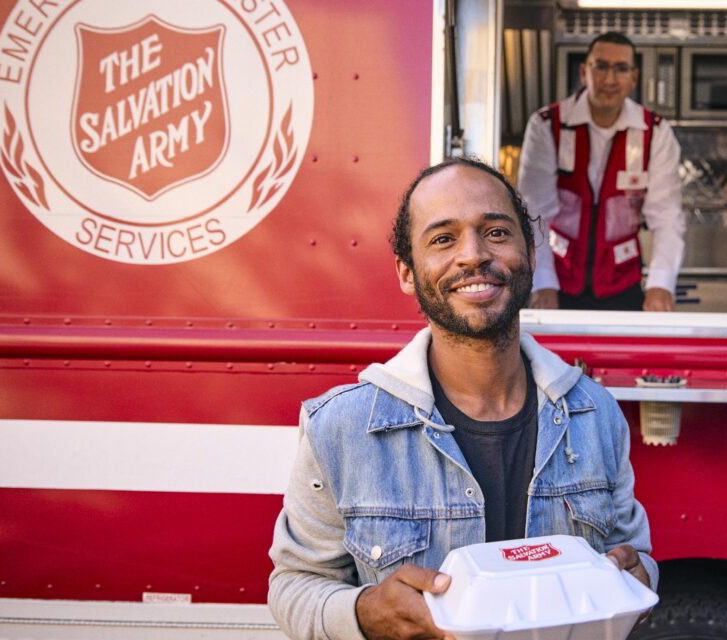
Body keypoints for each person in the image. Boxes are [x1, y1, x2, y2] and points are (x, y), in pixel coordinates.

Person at [267, 157, 657, 640]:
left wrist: (639, 575)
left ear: (530, 253)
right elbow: (295, 585)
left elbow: (633, 555)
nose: (473, 255)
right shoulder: (341, 428)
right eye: (443, 239)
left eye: (496, 232)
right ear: (407, 272)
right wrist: (364, 612)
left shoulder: (595, 414)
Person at [518, 31, 684, 312]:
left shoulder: (654, 132)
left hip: (623, 284)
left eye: (621, 69)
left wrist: (660, 286)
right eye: (601, 67)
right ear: (584, 72)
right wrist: (543, 282)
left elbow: (666, 216)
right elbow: (535, 213)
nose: (609, 79)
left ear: (634, 78)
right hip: (557, 282)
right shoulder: (548, 125)